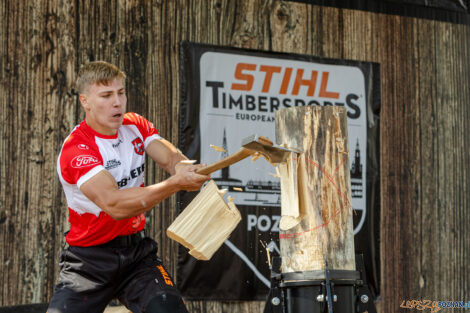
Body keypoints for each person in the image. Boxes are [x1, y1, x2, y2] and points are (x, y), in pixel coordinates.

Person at [47, 61, 210, 313]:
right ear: (85, 102)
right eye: (106, 95)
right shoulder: (77, 148)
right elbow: (115, 205)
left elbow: (172, 161)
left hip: (136, 255)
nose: (117, 102)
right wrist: (176, 183)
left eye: (121, 93)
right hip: (89, 261)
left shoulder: (135, 125)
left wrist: (190, 170)